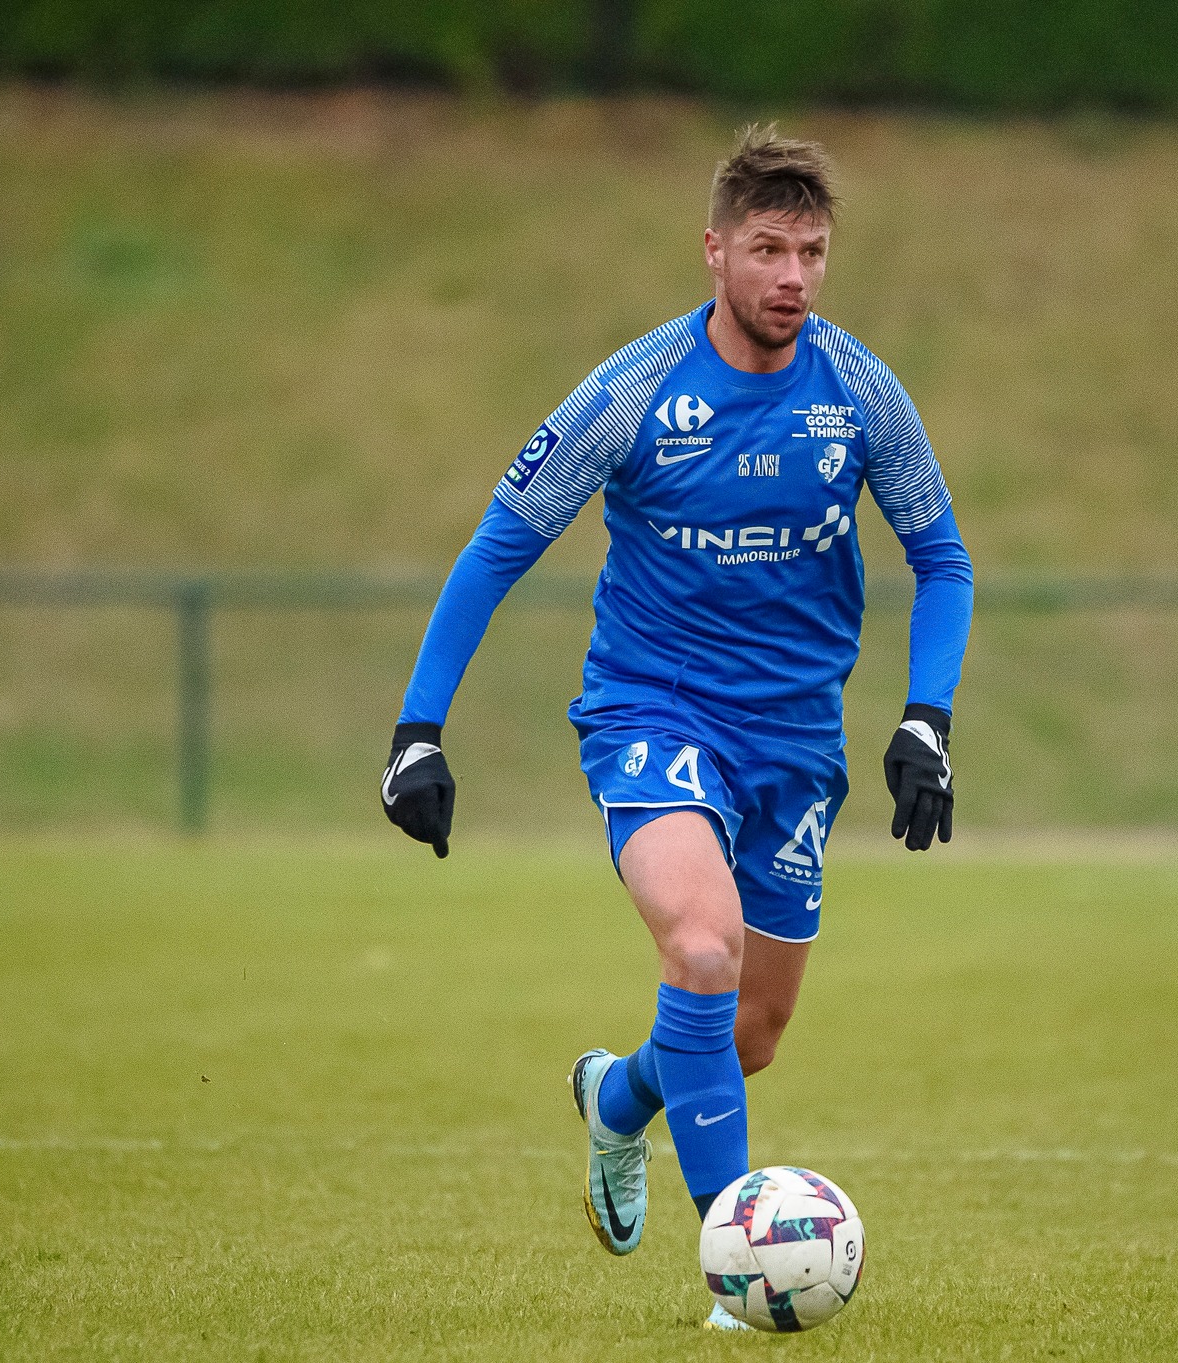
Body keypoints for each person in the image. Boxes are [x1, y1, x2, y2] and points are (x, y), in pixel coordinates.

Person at [378, 125, 973, 1330]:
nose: (792, 275)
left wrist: (924, 720)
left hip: (795, 744)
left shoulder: (859, 393)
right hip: (650, 713)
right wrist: (417, 729)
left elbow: (941, 558)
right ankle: (740, 1273)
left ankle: (619, 1101)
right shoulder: (634, 391)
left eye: (810, 250)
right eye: (766, 248)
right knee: (701, 952)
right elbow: (501, 543)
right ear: (714, 251)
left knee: (744, 1034)